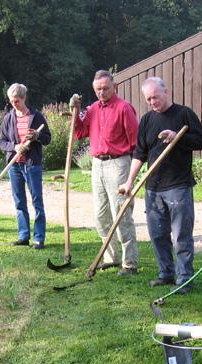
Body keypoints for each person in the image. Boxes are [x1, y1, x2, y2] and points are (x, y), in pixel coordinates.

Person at [118, 77, 202, 294]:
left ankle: (185, 278)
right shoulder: (148, 120)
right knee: (158, 235)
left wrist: (177, 137)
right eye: (148, 99)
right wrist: (129, 181)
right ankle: (166, 273)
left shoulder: (184, 114)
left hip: (178, 186)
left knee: (181, 236)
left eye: (155, 97)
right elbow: (140, 152)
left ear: (166, 92)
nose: (152, 102)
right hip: (153, 187)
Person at [70, 70, 139, 276]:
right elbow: (80, 133)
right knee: (101, 215)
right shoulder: (92, 109)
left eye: (105, 88)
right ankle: (111, 258)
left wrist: (134, 169)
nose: (102, 92)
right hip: (97, 164)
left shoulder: (124, 108)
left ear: (114, 87)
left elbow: (135, 141)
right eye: (98, 89)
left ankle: (130, 263)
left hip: (119, 164)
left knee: (122, 213)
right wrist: (76, 110)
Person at [0, 83, 51, 249]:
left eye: (17, 101)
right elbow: (1, 141)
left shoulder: (37, 117)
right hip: (15, 166)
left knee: (37, 201)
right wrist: (14, 147)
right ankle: (23, 236)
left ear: (24, 98)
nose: (14, 104)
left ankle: (39, 238)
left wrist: (37, 135)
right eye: (12, 101)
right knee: (19, 202)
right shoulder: (8, 118)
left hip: (32, 164)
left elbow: (48, 139)